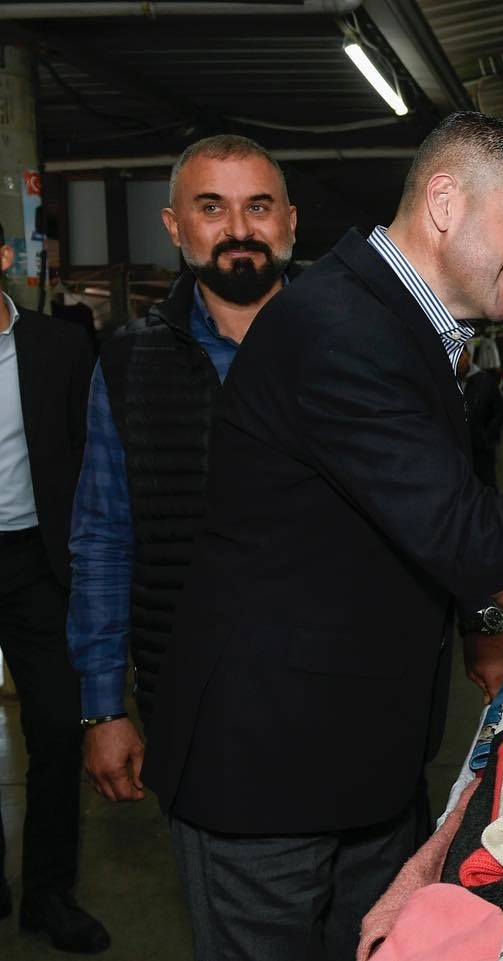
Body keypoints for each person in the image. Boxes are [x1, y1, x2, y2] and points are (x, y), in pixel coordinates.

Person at [140, 110, 503, 961]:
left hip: (360, 760)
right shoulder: (342, 326)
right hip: (268, 770)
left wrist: (472, 577)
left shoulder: (394, 323)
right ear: (447, 201)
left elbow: (399, 511)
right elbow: (463, 530)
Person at [65, 135, 299, 807]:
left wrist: (477, 622)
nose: (237, 230)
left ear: (289, 221)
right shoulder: (129, 365)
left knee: (375, 911)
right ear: (175, 226)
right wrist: (101, 707)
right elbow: (104, 539)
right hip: (196, 705)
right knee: (230, 907)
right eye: (210, 208)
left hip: (347, 696)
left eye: (258, 207)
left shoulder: (354, 345)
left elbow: (428, 505)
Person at [0, 227, 109, 953]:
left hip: (37, 565)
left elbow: (93, 467)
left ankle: (48, 891)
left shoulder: (58, 349)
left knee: (56, 732)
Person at [459, 342, 503, 490]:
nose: (458, 361)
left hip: (482, 448)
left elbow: (500, 411)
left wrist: (487, 436)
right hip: (458, 449)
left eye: (461, 356)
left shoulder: (485, 381)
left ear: (469, 356)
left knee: (486, 486)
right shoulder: (447, 381)